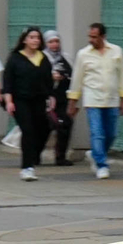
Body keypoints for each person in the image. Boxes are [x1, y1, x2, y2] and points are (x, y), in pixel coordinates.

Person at [69, 22, 123, 179]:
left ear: (103, 37)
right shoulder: (83, 54)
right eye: (90, 36)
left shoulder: (116, 51)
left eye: (95, 37)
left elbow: (122, 75)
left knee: (111, 133)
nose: (91, 40)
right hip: (92, 99)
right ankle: (102, 164)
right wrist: (72, 101)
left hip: (112, 99)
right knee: (97, 133)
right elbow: (77, 79)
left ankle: (95, 153)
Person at [0, 28, 52, 181]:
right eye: (32, 37)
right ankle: (27, 167)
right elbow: (8, 82)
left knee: (40, 129)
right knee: (27, 130)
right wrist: (8, 101)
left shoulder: (43, 58)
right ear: (24, 40)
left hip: (39, 100)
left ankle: (33, 156)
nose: (35, 40)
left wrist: (51, 96)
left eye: (37, 38)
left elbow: (48, 80)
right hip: (20, 100)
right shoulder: (15, 58)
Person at [43, 29, 76, 167]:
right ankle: (34, 153)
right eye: (51, 42)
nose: (54, 45)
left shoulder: (66, 57)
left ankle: (60, 156)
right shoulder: (42, 58)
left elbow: (74, 76)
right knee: (46, 127)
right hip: (48, 100)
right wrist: (51, 77)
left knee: (65, 125)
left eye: (56, 41)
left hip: (64, 98)